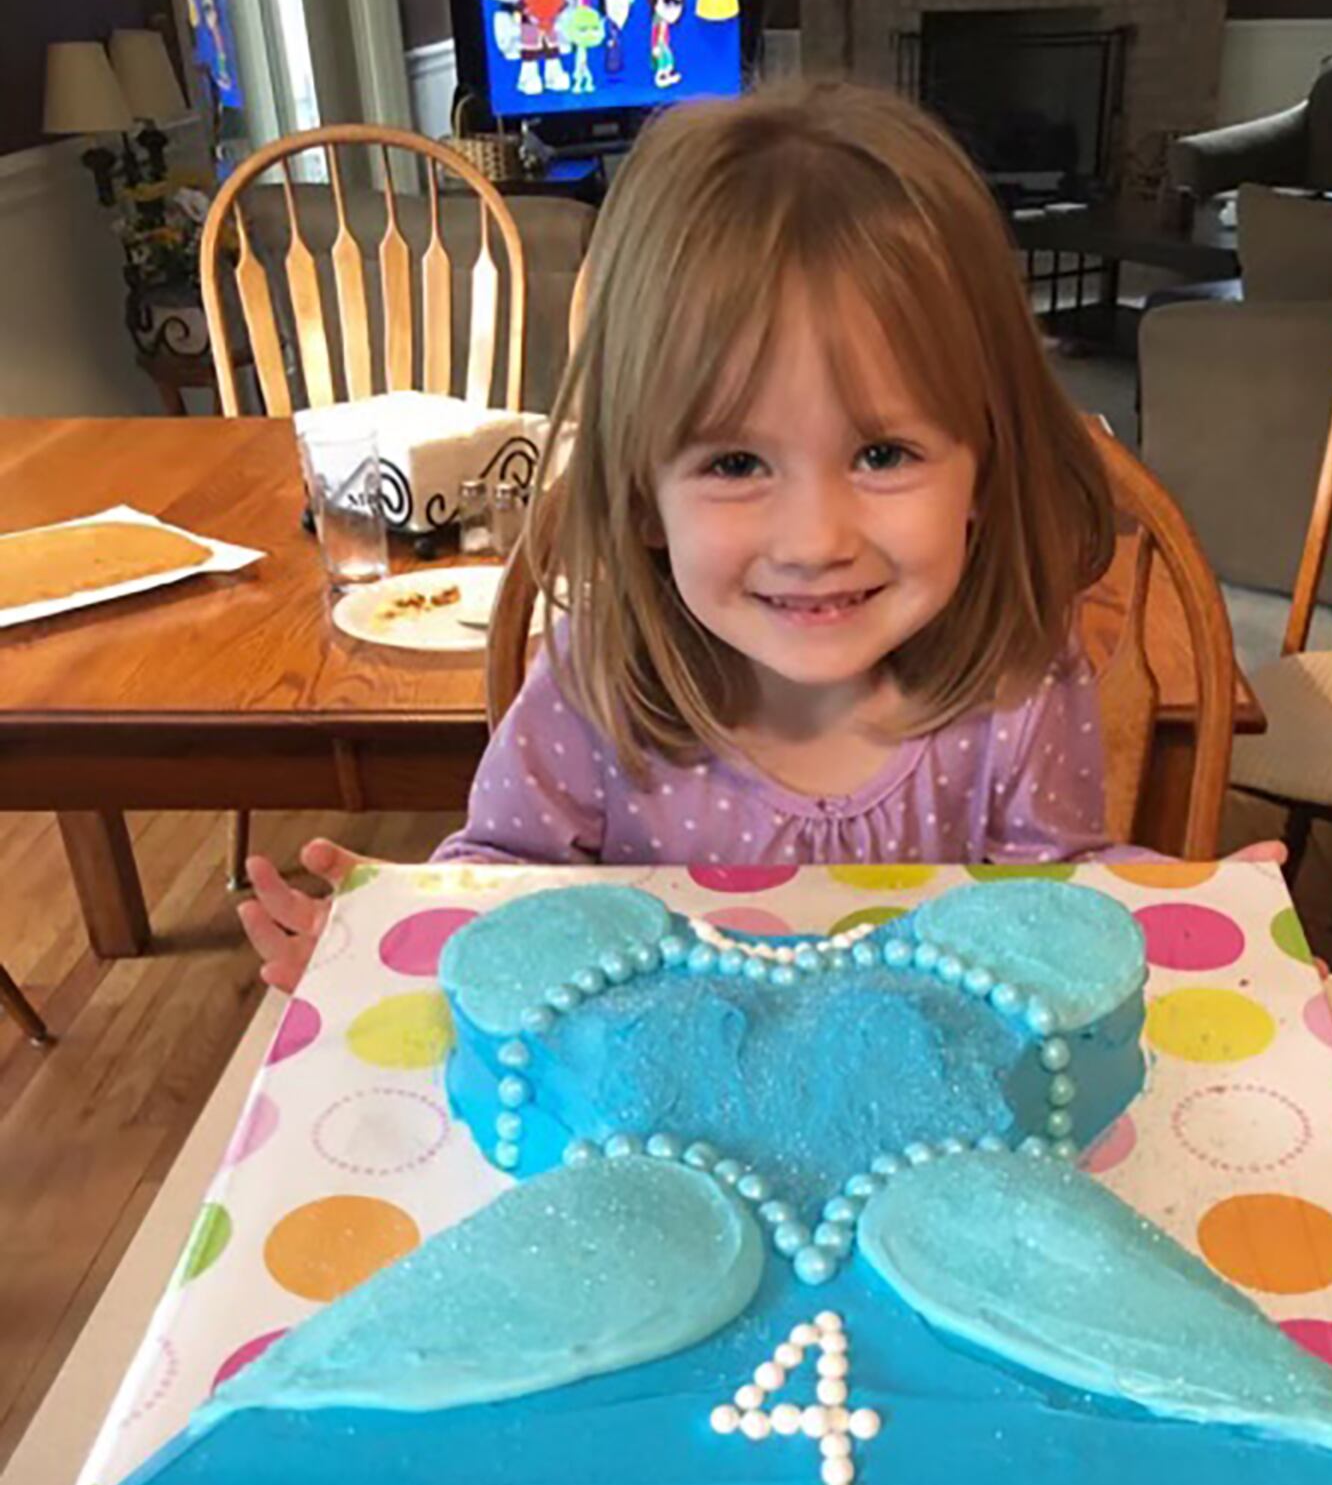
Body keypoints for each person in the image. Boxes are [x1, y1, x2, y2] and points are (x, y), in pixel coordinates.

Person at [240, 79, 1115, 995]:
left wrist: (1205, 910)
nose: (815, 540)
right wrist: (396, 952)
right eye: (736, 465)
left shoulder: (1021, 688)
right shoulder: (596, 691)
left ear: (988, 462)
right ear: (640, 494)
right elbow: (504, 891)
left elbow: (1055, 919)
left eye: (883, 453)